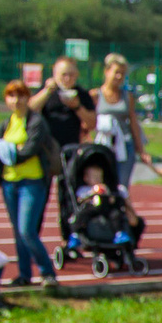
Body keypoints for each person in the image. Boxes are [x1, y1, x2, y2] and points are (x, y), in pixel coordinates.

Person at [0, 80, 53, 285]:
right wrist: (12, 149)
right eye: (11, 96)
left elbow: (30, 149)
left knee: (27, 230)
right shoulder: (6, 123)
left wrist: (9, 151)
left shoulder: (36, 121)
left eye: (21, 95)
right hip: (9, 182)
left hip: (32, 182)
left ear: (28, 98)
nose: (16, 100)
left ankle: (47, 272)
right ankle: (24, 274)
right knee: (18, 232)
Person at [37, 56, 91, 244]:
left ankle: (70, 239)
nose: (67, 79)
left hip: (71, 151)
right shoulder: (47, 92)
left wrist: (76, 106)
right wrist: (46, 91)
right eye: (63, 74)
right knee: (40, 196)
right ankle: (33, 238)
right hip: (46, 151)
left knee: (68, 197)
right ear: (54, 74)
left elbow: (92, 121)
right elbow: (30, 109)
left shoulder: (81, 94)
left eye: (71, 75)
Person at [92, 53, 146, 191]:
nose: (119, 77)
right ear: (106, 71)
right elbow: (88, 121)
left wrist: (141, 149)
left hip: (124, 145)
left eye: (122, 74)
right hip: (103, 144)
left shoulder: (127, 96)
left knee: (121, 186)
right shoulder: (95, 95)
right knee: (102, 183)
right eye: (116, 72)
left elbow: (133, 122)